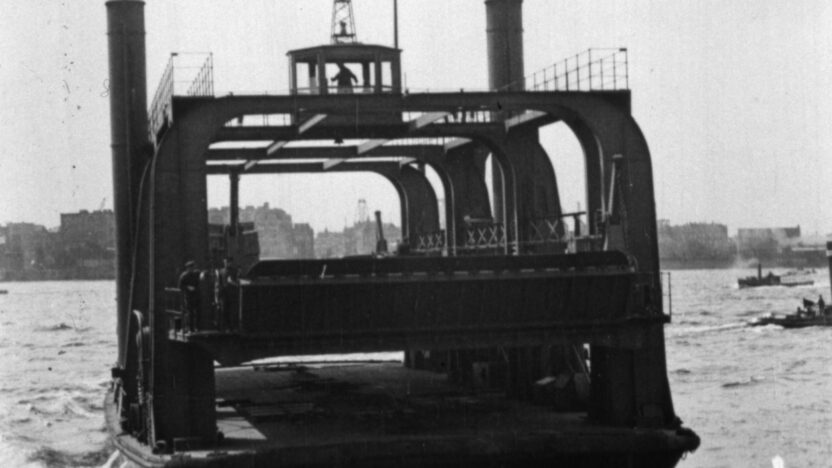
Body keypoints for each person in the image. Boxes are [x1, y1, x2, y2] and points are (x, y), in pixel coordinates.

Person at [178, 260, 201, 331]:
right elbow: (180, 286)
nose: (192, 269)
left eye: (193, 267)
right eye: (190, 267)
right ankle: (190, 328)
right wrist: (187, 287)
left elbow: (199, 280)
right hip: (188, 296)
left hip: (196, 295)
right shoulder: (184, 276)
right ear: (187, 268)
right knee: (189, 312)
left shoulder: (195, 274)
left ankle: (197, 327)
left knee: (197, 311)